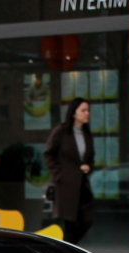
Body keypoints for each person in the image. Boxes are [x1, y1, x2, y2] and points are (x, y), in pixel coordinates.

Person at [44, 97, 95, 244]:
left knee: (87, 220)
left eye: (88, 110)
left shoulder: (87, 134)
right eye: (83, 110)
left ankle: (67, 249)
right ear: (74, 113)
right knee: (70, 224)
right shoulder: (61, 132)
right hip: (66, 185)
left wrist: (88, 167)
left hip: (82, 185)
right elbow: (48, 153)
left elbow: (91, 159)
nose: (87, 113)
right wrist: (59, 174)